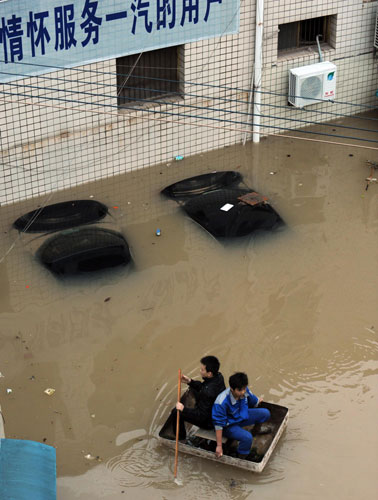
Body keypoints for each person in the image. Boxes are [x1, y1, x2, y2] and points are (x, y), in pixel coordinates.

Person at [212, 372, 270, 459]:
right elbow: (218, 425)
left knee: (265, 413)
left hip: (242, 417)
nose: (243, 392)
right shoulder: (221, 402)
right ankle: (241, 456)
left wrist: (258, 400)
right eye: (240, 390)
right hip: (228, 425)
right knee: (247, 438)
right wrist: (219, 446)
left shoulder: (245, 391)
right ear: (232, 389)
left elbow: (254, 401)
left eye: (244, 388)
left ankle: (255, 431)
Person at [172, 355, 225, 440]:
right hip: (215, 411)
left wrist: (183, 409)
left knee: (176, 412)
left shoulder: (208, 392)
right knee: (193, 388)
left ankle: (181, 438)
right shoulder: (219, 376)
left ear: (209, 373)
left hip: (209, 422)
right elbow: (204, 386)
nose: (200, 371)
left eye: (202, 370)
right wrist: (190, 381)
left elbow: (201, 416)